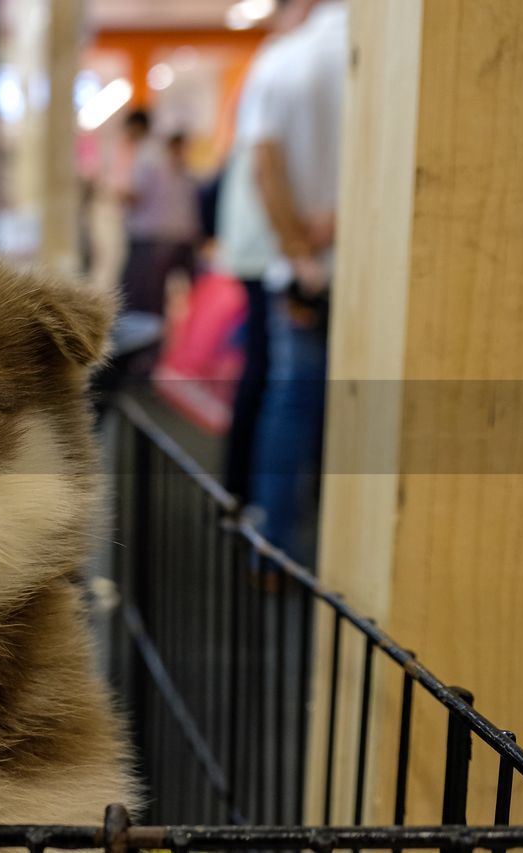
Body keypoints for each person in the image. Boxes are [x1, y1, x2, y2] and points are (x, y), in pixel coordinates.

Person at [247, 0, 347, 564]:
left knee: (291, 404)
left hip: (303, 274)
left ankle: (273, 553)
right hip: (371, 270)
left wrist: (297, 250)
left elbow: (265, 163)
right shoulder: (382, 53)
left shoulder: (282, 59)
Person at [217, 0, 314, 502]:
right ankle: (247, 498)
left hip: (262, 247)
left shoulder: (273, 62)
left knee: (266, 374)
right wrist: (298, 241)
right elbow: (264, 168)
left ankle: (242, 493)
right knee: (275, 380)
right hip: (270, 249)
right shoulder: (281, 59)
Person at [119, 116, 200, 321]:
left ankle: (146, 348)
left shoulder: (148, 155)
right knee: (159, 300)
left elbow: (137, 195)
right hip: (179, 236)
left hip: (151, 237)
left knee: (143, 300)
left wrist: (111, 193)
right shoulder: (175, 159)